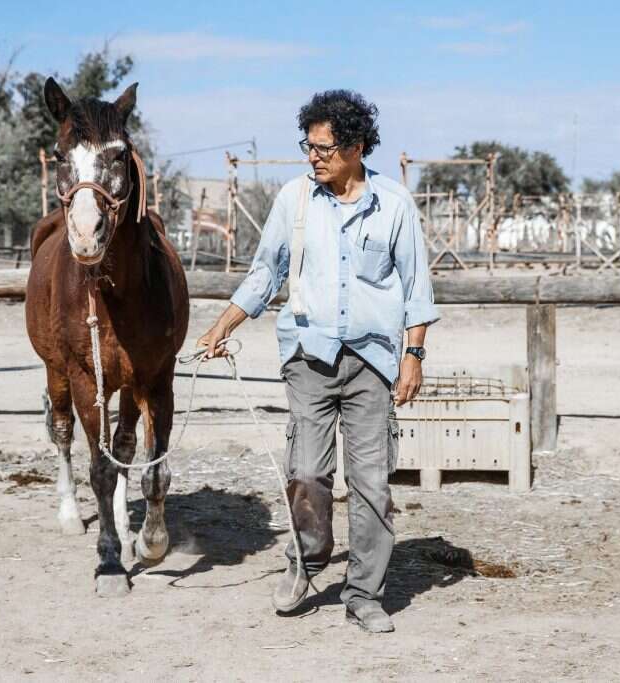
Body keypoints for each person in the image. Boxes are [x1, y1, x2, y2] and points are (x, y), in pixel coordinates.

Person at [196, 90, 438, 633]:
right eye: (308, 145)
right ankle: (307, 560)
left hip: (374, 360)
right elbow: (265, 273)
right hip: (309, 357)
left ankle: (364, 595)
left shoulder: (395, 204)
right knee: (307, 472)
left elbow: (417, 290)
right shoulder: (294, 201)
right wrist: (221, 327)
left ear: (356, 146)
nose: (313, 156)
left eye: (323, 147)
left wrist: (413, 356)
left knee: (372, 483)